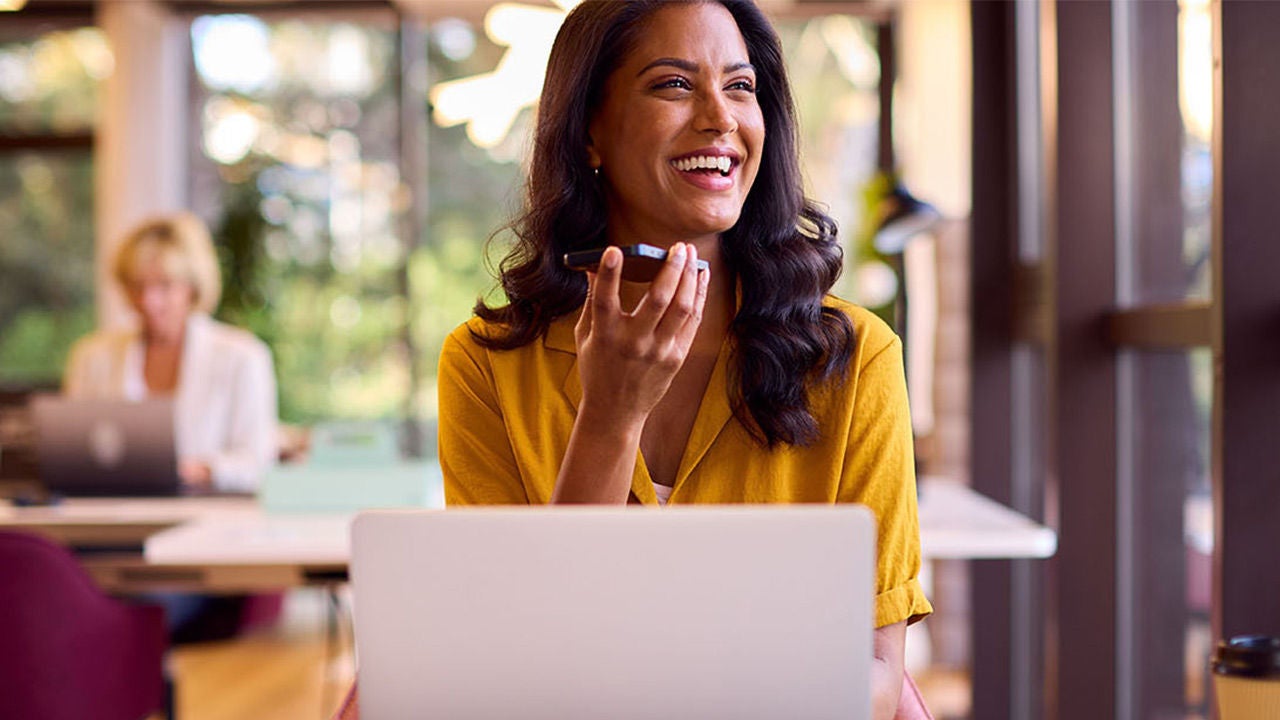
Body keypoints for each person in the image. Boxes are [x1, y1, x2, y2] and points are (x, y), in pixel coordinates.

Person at [435, 2, 932, 718]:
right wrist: (609, 414)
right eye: (673, 84)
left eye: (740, 86)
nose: (719, 118)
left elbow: (878, 674)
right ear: (589, 133)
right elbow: (525, 662)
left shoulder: (854, 359)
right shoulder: (485, 367)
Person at [64, 212, 278, 493]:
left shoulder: (243, 357)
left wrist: (201, 470)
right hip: (113, 512)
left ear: (192, 287)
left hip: (207, 521)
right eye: (137, 286)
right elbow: (71, 454)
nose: (148, 301)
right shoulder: (92, 357)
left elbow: (259, 464)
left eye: (164, 285)